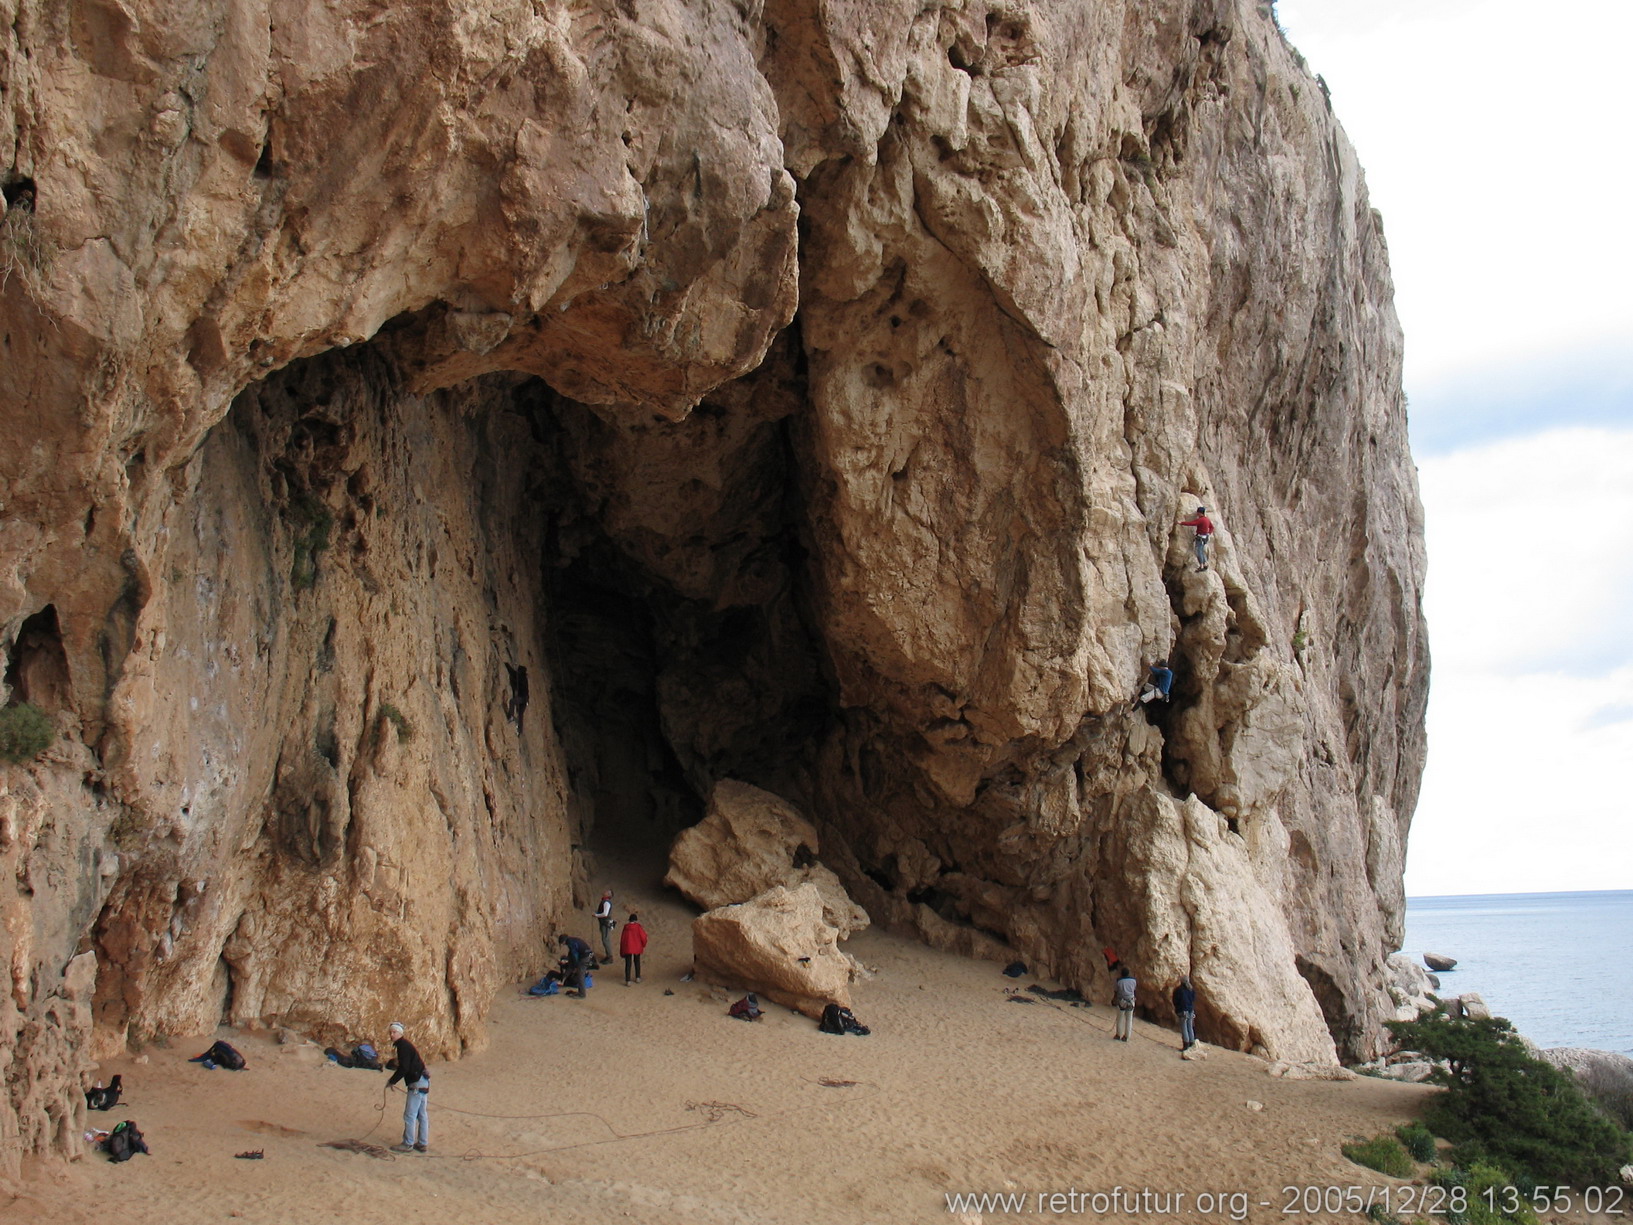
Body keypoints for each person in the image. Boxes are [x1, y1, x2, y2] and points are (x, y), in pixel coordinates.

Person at [385, 1021, 430, 1153]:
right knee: (422, 1114)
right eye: (390, 1032)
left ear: (400, 1033)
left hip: (416, 1082)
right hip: (423, 1081)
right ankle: (422, 1143)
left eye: (394, 1032)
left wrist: (392, 1081)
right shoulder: (407, 1045)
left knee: (410, 1114)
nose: (391, 1035)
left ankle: (408, 1143)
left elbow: (404, 1067)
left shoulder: (403, 1046)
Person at [558, 933, 593, 997]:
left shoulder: (571, 943)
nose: (562, 945)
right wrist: (563, 978)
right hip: (585, 955)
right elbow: (571, 964)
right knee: (572, 966)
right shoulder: (571, 941)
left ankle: (582, 994)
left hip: (585, 957)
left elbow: (575, 956)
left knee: (580, 974)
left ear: (563, 941)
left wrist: (576, 966)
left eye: (562, 943)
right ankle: (564, 980)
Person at [1180, 506, 1214, 571]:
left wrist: (1181, 523)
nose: (1197, 514)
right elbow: (1212, 527)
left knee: (1199, 552)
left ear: (1200, 513)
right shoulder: (1207, 519)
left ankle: (1201, 566)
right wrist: (1208, 533)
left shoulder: (1201, 520)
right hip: (1205, 538)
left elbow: (1191, 523)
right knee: (1201, 551)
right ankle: (1205, 564)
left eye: (1198, 513)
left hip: (1200, 538)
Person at [620, 912, 648, 986]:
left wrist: (622, 949)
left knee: (628, 964)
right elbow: (644, 937)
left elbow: (623, 939)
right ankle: (637, 977)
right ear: (635, 920)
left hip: (628, 947)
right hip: (637, 947)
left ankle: (628, 980)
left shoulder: (626, 927)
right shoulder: (638, 927)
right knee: (637, 962)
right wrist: (643, 944)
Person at [1113, 965, 1137, 1041]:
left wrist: (1114, 999)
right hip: (1131, 1000)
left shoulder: (1119, 981)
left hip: (1122, 1001)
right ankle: (1126, 1036)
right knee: (1129, 1019)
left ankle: (1118, 1035)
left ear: (1121, 974)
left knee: (1120, 1018)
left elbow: (1116, 991)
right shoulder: (1134, 980)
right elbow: (1134, 990)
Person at [1173, 975, 1197, 1051]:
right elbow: (1193, 999)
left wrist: (1178, 1008)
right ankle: (1191, 1043)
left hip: (1183, 1010)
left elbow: (1176, 1000)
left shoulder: (1179, 990)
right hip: (1190, 1010)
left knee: (1184, 1028)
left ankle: (1186, 1045)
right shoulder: (1191, 989)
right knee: (1190, 1027)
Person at [595, 891, 616, 961]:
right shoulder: (605, 902)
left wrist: (596, 915)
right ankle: (608, 955)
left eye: (607, 892)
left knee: (605, 940)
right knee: (605, 939)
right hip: (604, 923)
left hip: (605, 923)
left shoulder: (606, 902)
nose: (605, 892)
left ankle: (609, 956)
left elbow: (605, 914)